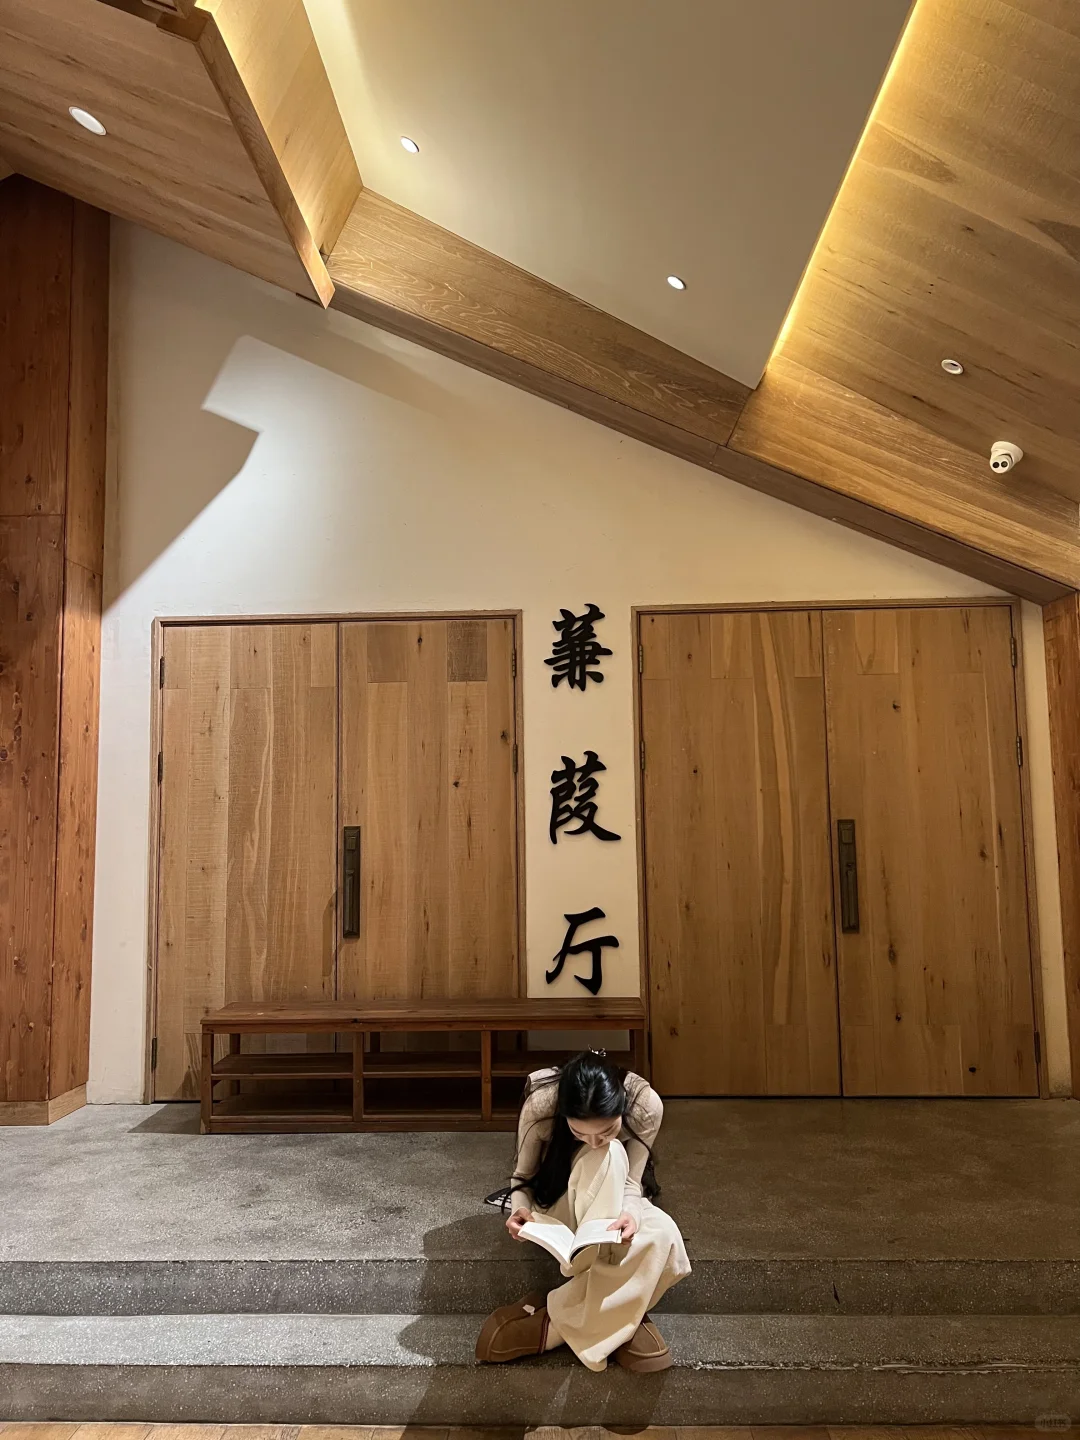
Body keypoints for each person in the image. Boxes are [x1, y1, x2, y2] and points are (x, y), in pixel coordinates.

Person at [475, 1050, 690, 1373]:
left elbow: (631, 1184)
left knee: (665, 1233)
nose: (593, 1141)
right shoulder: (543, 1104)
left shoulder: (644, 1105)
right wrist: (519, 1211)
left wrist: (632, 1214)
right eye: (578, 1133)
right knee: (607, 1154)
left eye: (607, 1129)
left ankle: (553, 1327)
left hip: (615, 1202)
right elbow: (522, 1177)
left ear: (620, 1107)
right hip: (563, 1202)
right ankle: (619, 1316)